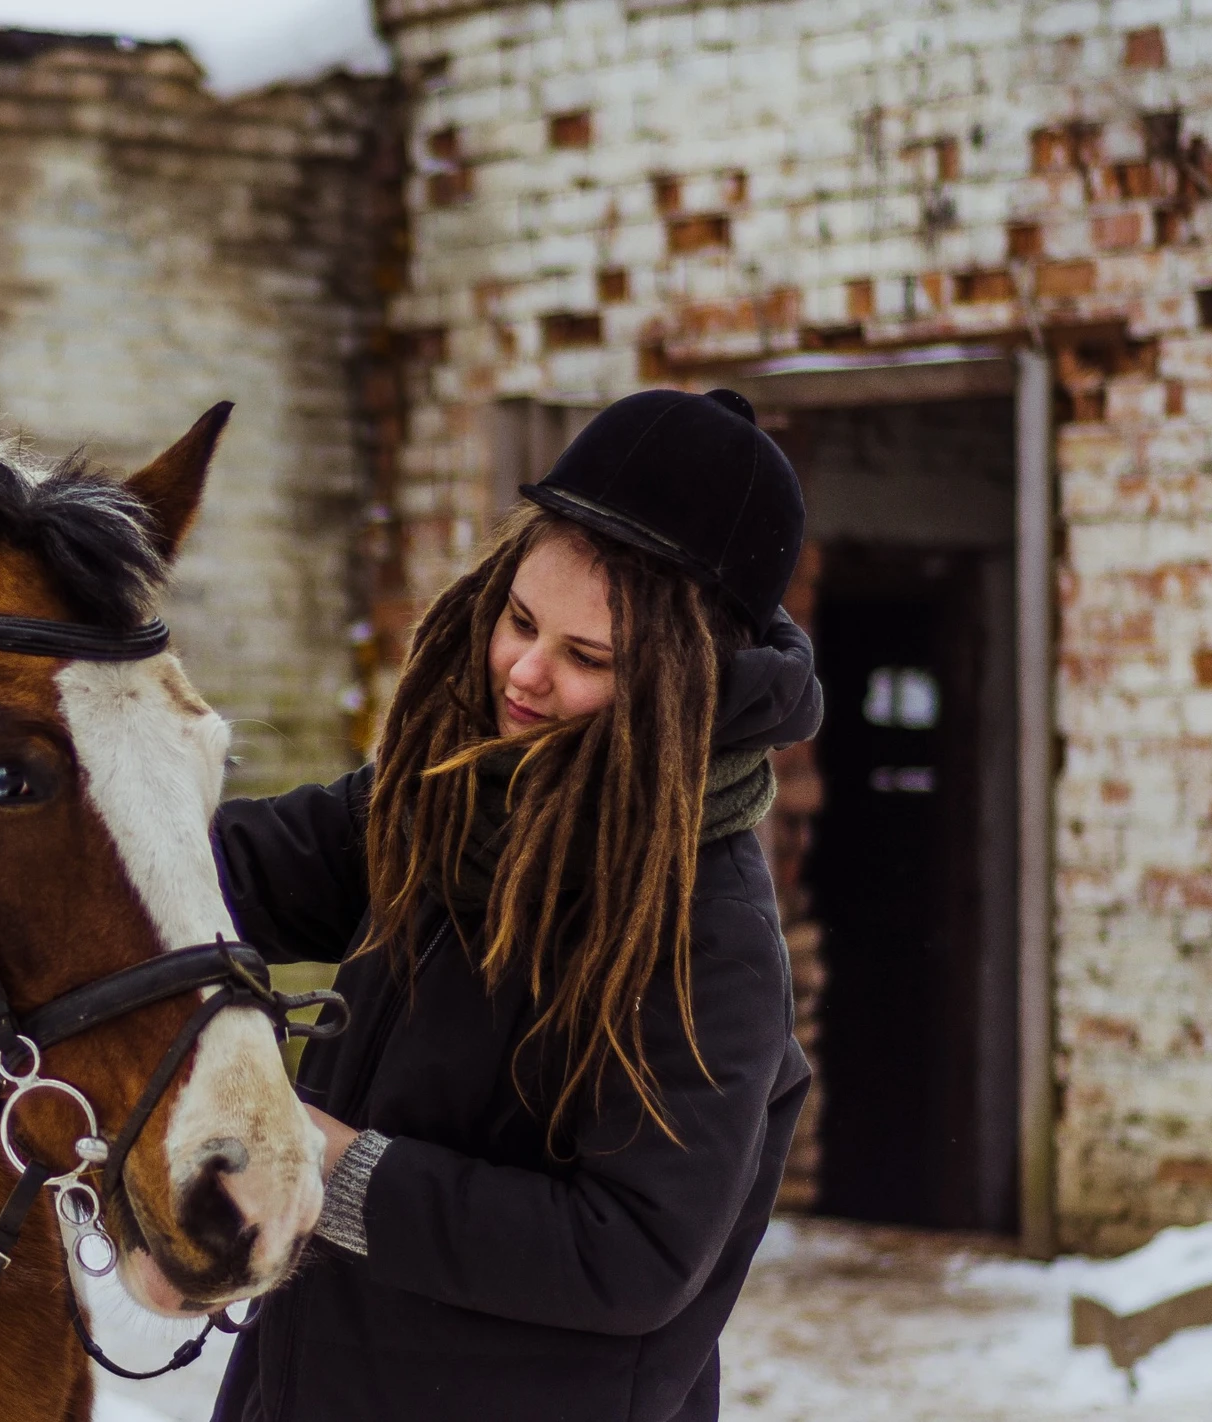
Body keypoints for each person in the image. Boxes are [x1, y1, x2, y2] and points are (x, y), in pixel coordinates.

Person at [205, 388, 822, 1421]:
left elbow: (631, 1252)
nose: (523, 673)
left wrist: (334, 1167)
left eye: (587, 659)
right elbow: (235, 876)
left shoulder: (709, 935)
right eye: (521, 621)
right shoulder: (446, 793)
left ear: (682, 683)